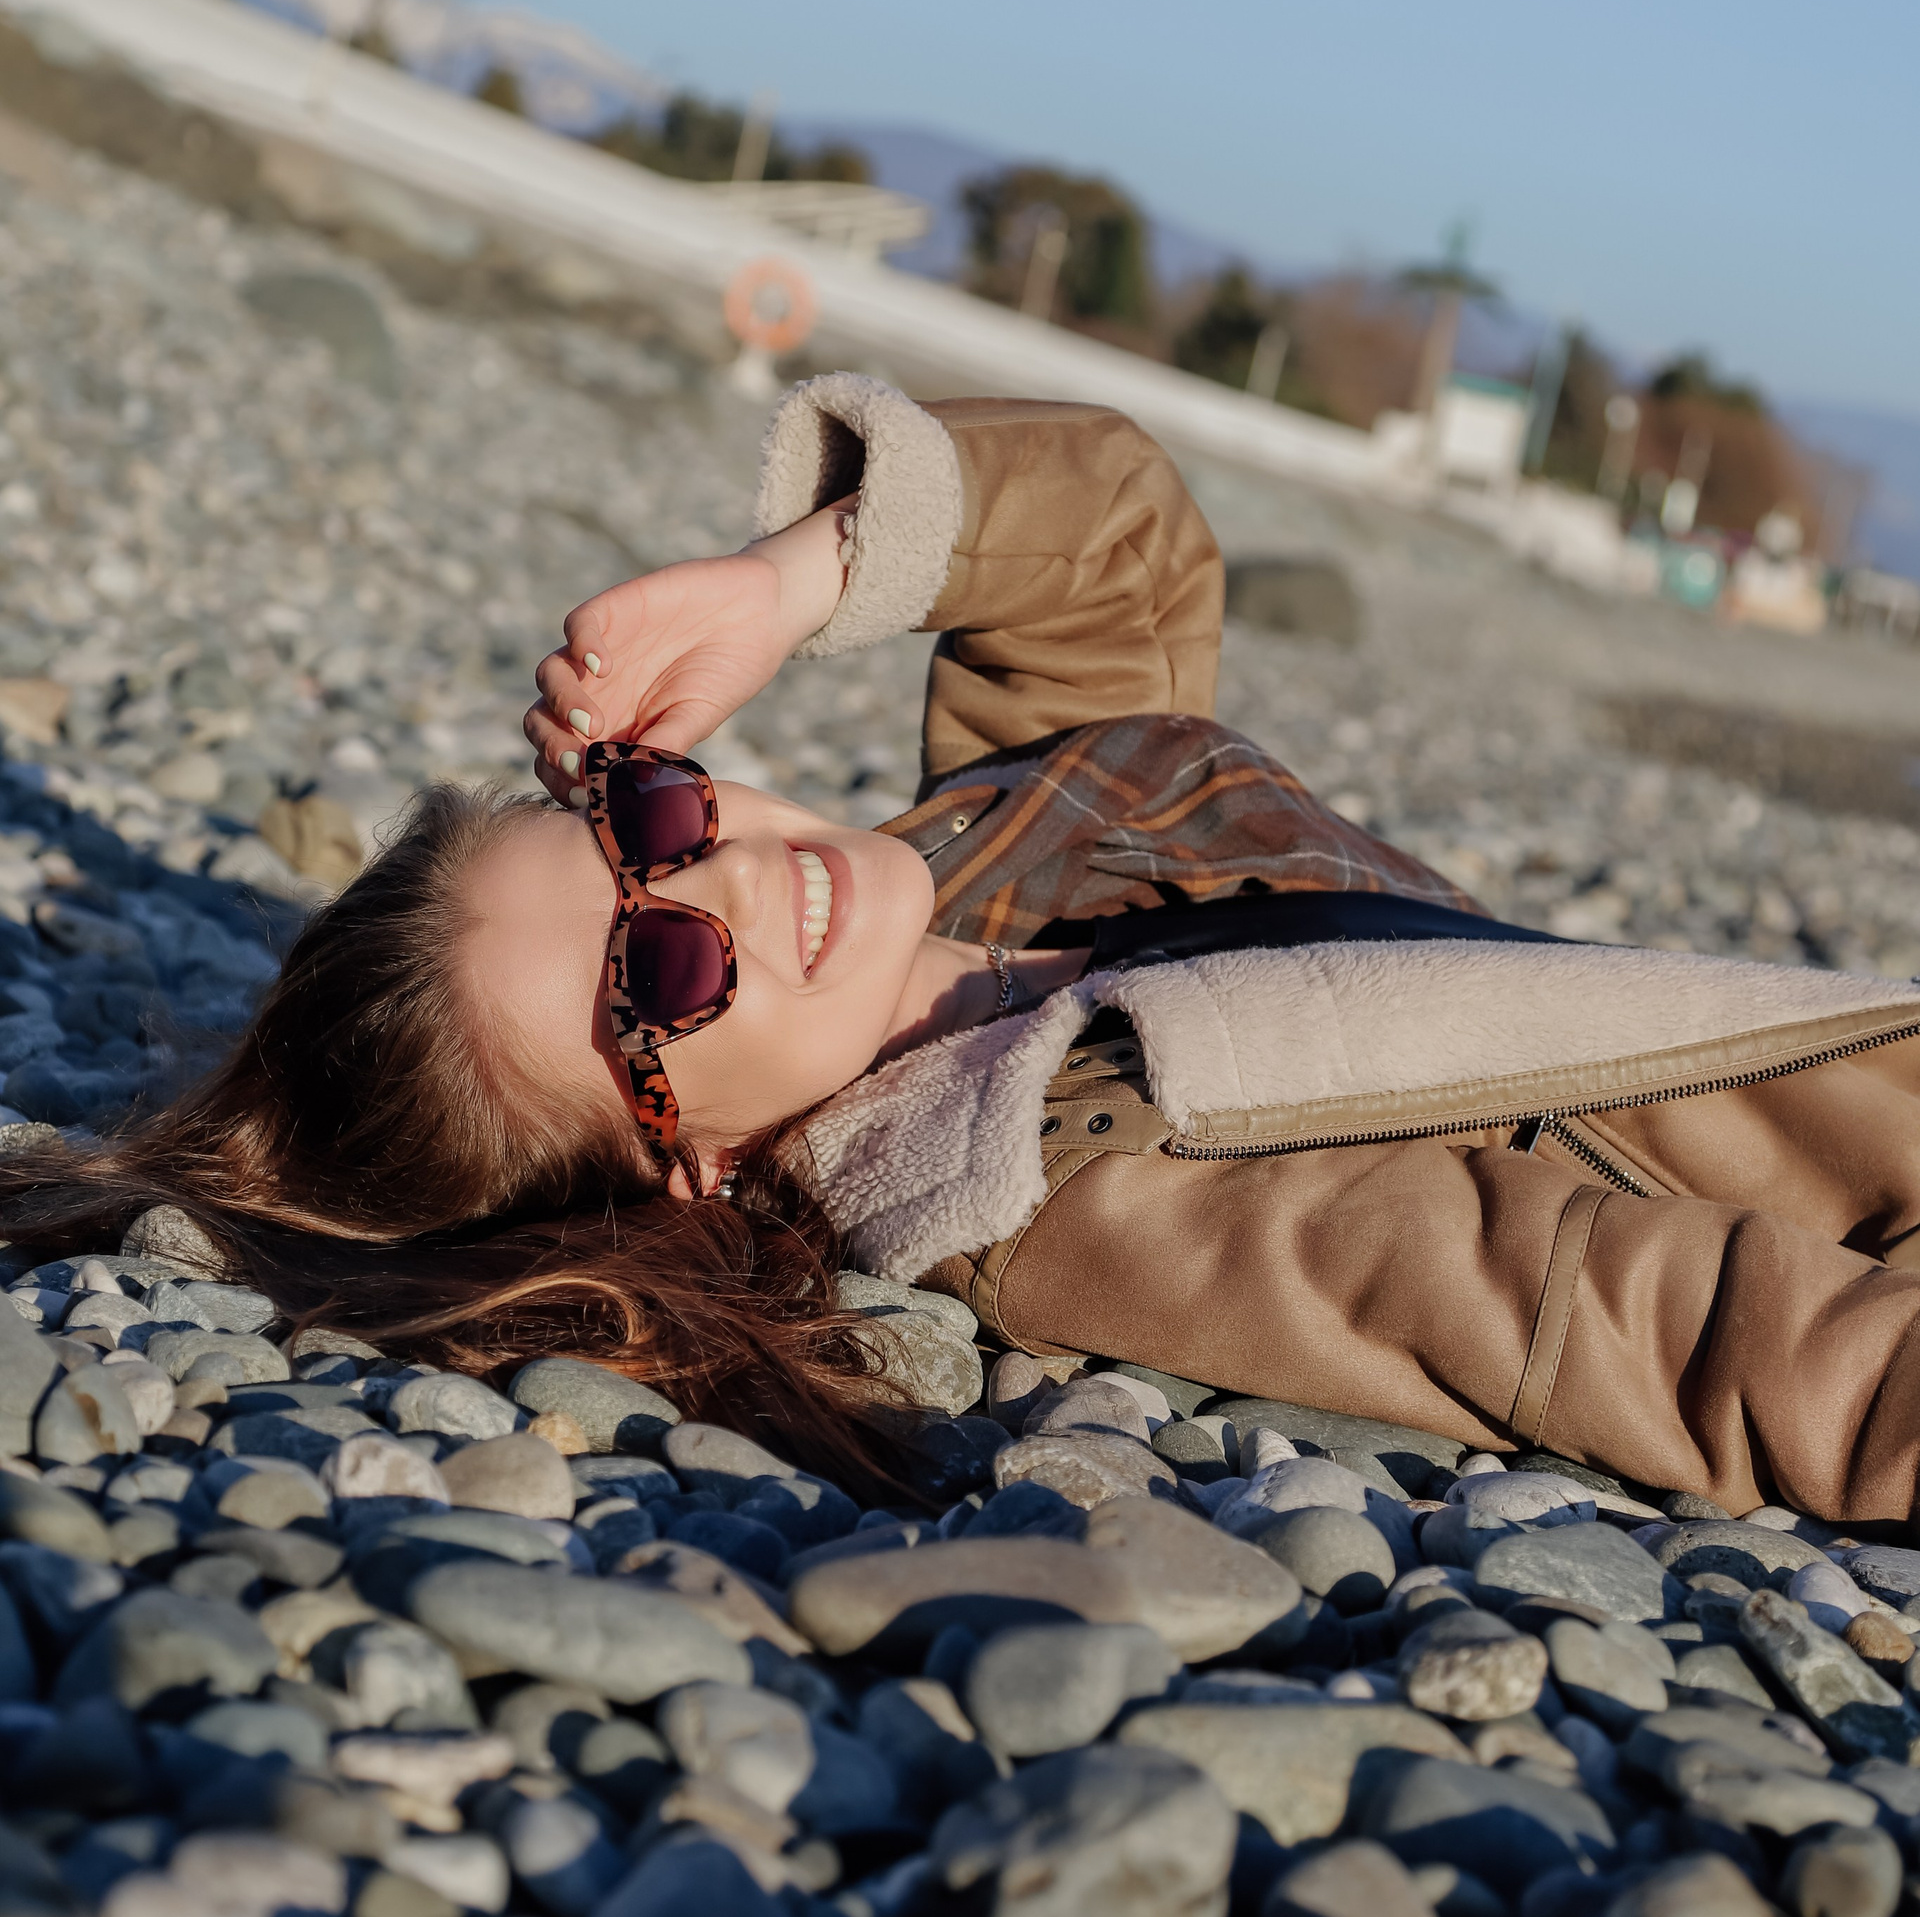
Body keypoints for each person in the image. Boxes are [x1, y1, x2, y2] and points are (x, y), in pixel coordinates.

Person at [5, 376, 1919, 1516]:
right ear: (691, 1166)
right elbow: (1653, 1326)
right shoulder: (1079, 1192)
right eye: (657, 978)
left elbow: (1122, 539)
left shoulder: (991, 855)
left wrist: (791, 581)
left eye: (648, 821)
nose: (726, 882)